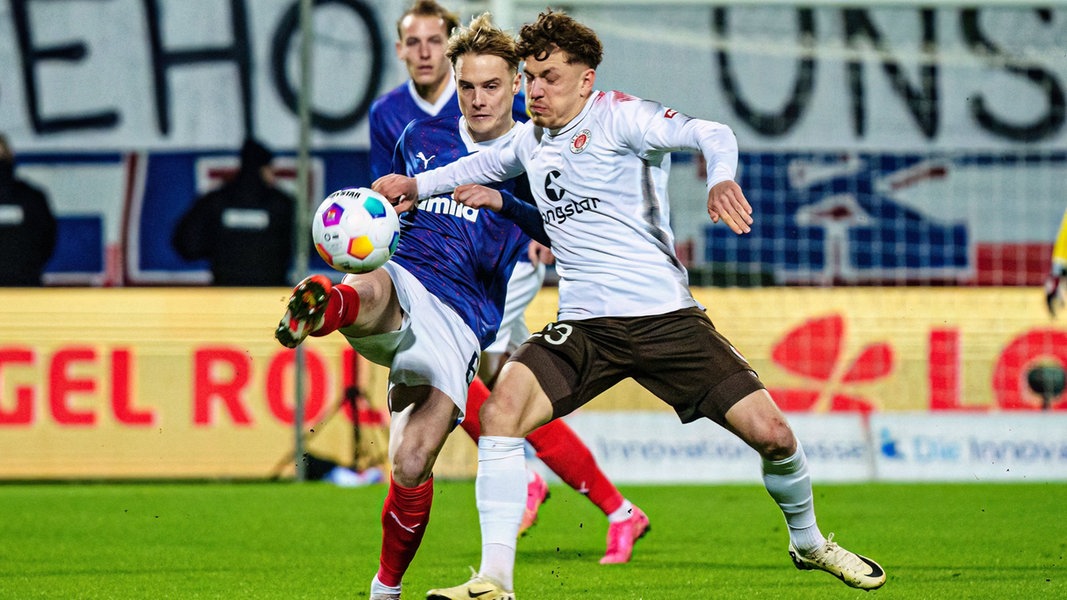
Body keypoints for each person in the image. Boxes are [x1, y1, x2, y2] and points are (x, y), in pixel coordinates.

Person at [372, 9, 887, 599]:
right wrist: (413, 187)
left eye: (549, 78)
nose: (535, 90)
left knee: (773, 436)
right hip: (586, 327)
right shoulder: (529, 140)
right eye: (531, 78)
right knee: (500, 415)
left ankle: (809, 541)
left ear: (585, 79)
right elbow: (470, 166)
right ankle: (494, 581)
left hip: (667, 320)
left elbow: (712, 133)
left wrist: (720, 177)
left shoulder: (621, 117)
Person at [275, 15, 641, 600]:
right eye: (466, 86)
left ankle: (384, 588)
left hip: (463, 318)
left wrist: (517, 213)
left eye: (491, 86)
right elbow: (387, 216)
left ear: (517, 85)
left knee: (412, 461)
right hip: (410, 276)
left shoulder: (536, 153)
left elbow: (563, 222)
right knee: (371, 285)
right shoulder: (420, 139)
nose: (477, 99)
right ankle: (323, 302)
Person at [371, 0, 650, 560]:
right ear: (402, 51)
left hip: (500, 272)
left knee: (482, 390)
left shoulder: (523, 131)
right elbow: (390, 196)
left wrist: (537, 224)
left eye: (434, 40)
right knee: (496, 394)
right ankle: (609, 505)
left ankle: (536, 482)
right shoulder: (393, 117)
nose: (425, 52)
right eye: (414, 43)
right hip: (435, 271)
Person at [172, 137, 294, 286]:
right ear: (264, 168)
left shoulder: (215, 201)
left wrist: (219, 246)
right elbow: (305, 246)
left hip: (226, 298)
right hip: (269, 297)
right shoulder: (283, 204)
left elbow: (187, 244)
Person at [0, 134, 57, 286]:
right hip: (26, 288)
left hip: (26, 285)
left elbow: (46, 240)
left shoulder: (32, 198)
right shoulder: (33, 197)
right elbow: (47, 241)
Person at [1044, 207, 1067, 315]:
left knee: (1059, 278)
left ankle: (1056, 298)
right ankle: (1055, 297)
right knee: (1059, 278)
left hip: (1060, 257)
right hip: (1062, 258)